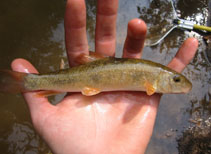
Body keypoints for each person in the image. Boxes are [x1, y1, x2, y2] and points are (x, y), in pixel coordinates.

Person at [11, 0, 198, 154]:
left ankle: (29, 82)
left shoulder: (153, 83)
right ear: (161, 80)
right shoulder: (152, 81)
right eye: (176, 79)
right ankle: (28, 82)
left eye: (176, 79)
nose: (178, 82)